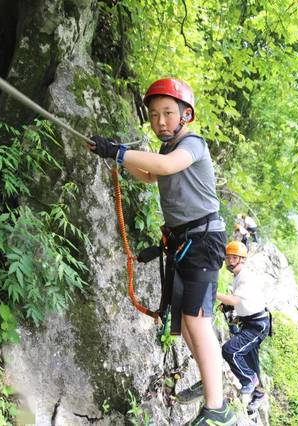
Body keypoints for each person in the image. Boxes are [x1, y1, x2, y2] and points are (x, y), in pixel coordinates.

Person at [88, 78, 235, 425]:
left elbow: (166, 168)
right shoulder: (167, 151)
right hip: (183, 243)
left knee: (197, 322)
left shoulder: (193, 145)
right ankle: (211, 376)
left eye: (168, 113)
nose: (161, 122)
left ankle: (218, 408)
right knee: (186, 326)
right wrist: (113, 154)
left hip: (202, 241)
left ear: (187, 115)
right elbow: (151, 174)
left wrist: (119, 152)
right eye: (154, 115)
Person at [216, 241, 270, 406]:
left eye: (234, 258)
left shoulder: (245, 277)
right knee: (250, 359)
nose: (230, 261)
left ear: (242, 259)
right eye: (228, 257)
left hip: (257, 325)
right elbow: (240, 300)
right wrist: (227, 305)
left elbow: (235, 299)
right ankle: (259, 393)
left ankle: (248, 381)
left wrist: (213, 292)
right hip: (250, 322)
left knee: (230, 351)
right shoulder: (239, 276)